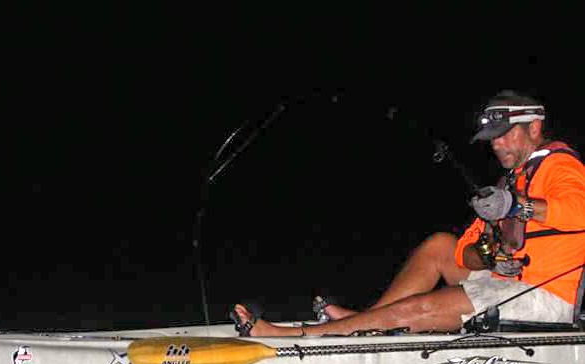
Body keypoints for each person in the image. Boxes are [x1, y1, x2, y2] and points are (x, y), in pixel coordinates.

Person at [233, 90, 585, 337]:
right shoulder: (510, 180)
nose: (496, 144)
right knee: (440, 246)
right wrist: (488, 255)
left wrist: (516, 207)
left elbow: (578, 212)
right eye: (492, 138)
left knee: (419, 307)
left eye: (505, 135)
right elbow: (464, 251)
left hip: (542, 295)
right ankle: (371, 319)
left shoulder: (560, 166)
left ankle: (302, 333)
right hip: (505, 279)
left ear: (534, 128)